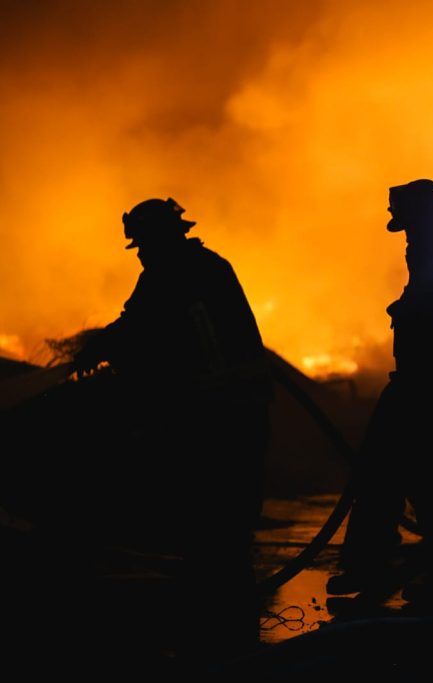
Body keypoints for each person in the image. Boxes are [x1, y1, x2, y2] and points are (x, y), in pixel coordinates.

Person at [74, 196, 272, 658]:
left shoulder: (171, 274)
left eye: (142, 245)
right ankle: (229, 634)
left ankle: (221, 644)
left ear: (161, 239)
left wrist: (93, 348)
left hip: (219, 422)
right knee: (224, 532)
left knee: (211, 530)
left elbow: (139, 330)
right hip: (239, 415)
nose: (140, 254)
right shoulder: (206, 266)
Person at [329, 179, 433, 604]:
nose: (407, 233)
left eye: (410, 223)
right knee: (380, 474)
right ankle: (371, 565)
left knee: (432, 480)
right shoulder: (431, 256)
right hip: (416, 384)